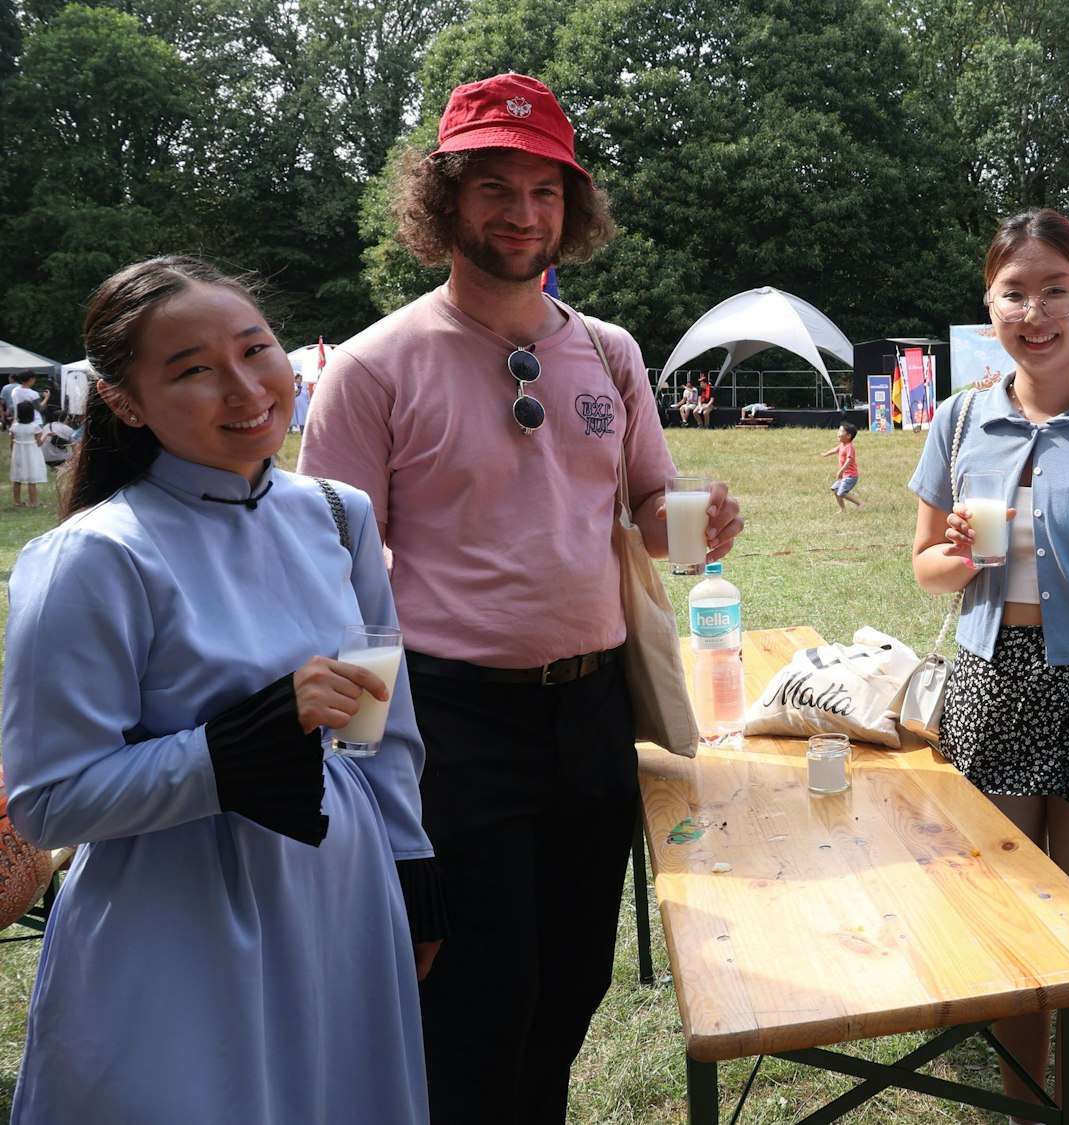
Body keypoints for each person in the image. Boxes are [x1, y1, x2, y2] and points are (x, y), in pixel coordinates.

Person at [298, 73, 742, 1125]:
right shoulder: (372, 368)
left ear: (570, 208)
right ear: (444, 200)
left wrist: (694, 525)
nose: (521, 212)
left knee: (570, 984)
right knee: (473, 999)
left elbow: (644, 505)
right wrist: (359, 777)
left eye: (545, 190)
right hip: (451, 722)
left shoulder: (610, 351)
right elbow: (332, 582)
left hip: (592, 713)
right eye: (493, 186)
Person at [1, 256, 439, 1122]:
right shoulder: (95, 557)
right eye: (192, 369)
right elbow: (49, 801)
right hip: (177, 920)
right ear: (124, 400)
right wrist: (236, 746)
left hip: (343, 896)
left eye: (256, 349)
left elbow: (376, 719)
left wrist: (410, 860)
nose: (244, 389)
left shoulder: (338, 515)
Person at [909, 208, 1069, 1123]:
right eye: (1014, 292)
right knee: (1007, 935)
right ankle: (1023, 1112)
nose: (1036, 310)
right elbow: (927, 566)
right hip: (990, 688)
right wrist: (960, 553)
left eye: (1056, 289)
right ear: (990, 307)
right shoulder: (959, 419)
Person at [11, 401, 47, 507]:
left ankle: (17, 501)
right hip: (31, 453)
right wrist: (47, 435)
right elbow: (39, 443)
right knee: (31, 478)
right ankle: (33, 501)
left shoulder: (14, 427)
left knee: (17, 478)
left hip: (18, 452)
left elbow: (11, 442)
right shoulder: (34, 427)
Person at [821, 420, 862, 510]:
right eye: (838, 431)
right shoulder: (842, 445)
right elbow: (836, 449)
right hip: (845, 476)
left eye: (841, 431)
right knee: (835, 489)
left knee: (842, 492)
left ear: (848, 436)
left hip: (850, 476)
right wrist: (826, 453)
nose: (838, 433)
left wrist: (841, 470)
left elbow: (849, 459)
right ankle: (843, 509)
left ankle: (859, 504)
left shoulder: (849, 447)